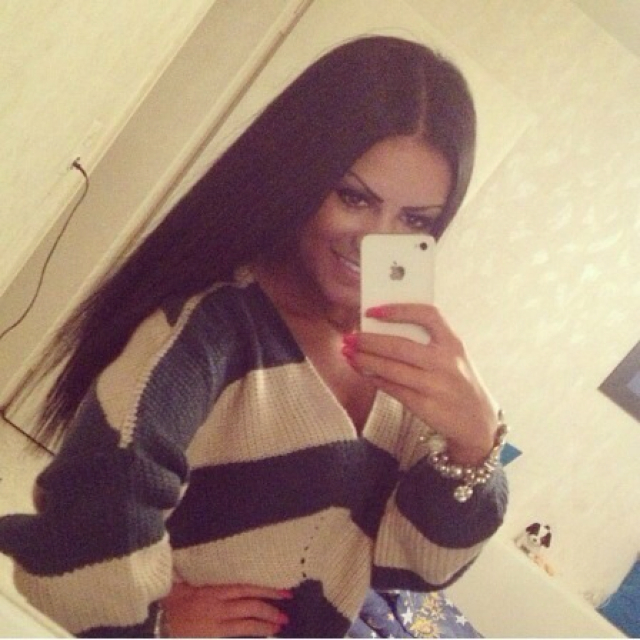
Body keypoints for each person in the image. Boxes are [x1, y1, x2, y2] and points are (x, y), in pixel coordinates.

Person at [0, 35, 508, 637]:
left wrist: (475, 444)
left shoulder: (403, 359)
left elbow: (417, 565)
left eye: (415, 220)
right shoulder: (206, 334)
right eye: (353, 197)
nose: (376, 241)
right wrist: (158, 624)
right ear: (299, 173)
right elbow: (78, 542)